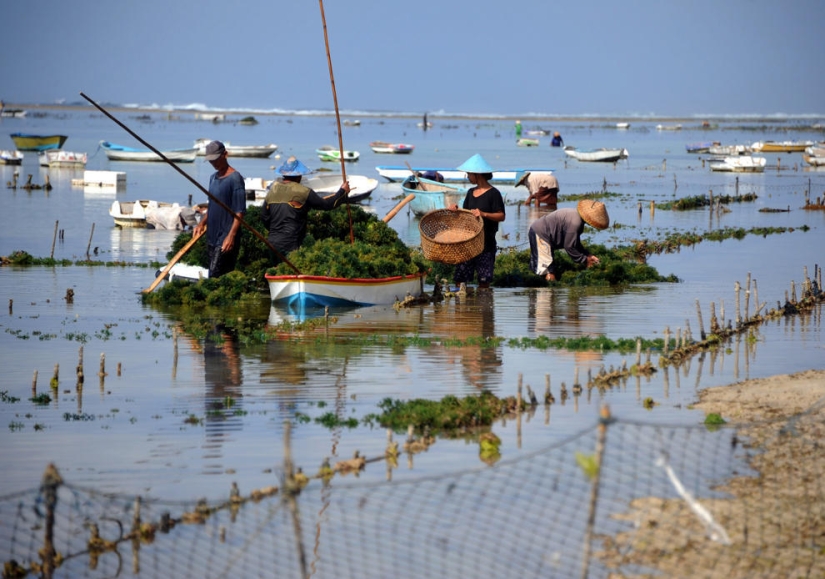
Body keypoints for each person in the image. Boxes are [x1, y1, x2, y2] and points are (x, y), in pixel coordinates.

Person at [260, 156, 350, 261]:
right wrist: (342, 192)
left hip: (272, 242)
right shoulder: (304, 192)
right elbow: (327, 205)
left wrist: (275, 230)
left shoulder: (272, 190)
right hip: (291, 243)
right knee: (291, 272)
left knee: (277, 271)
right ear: (299, 176)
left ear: (283, 174)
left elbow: (264, 217)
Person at [447, 154, 505, 289]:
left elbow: (501, 216)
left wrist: (483, 214)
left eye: (469, 174)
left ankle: (483, 307)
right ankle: (463, 308)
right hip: (468, 243)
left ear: (477, 175)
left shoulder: (494, 193)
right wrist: (456, 211)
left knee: (484, 282)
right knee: (460, 279)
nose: (467, 177)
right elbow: (466, 216)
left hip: (486, 244)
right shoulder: (470, 192)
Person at [192, 140, 246, 278]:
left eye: (216, 160)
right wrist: (201, 223)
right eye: (210, 161)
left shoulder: (235, 179)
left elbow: (240, 212)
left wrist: (231, 236)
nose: (213, 164)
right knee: (216, 274)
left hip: (226, 236)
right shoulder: (213, 178)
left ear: (225, 155)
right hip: (211, 236)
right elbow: (212, 206)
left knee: (215, 276)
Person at [528, 200, 609, 282]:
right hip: (541, 234)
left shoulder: (576, 217)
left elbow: (575, 243)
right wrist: (585, 260)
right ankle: (550, 290)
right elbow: (569, 246)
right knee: (548, 270)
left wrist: (588, 255)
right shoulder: (575, 223)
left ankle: (537, 288)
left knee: (540, 267)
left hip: (542, 233)